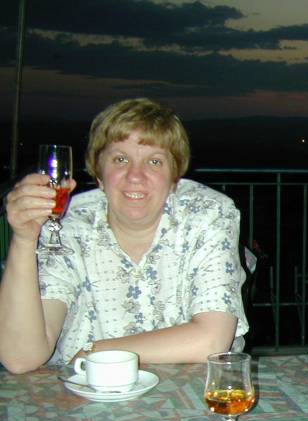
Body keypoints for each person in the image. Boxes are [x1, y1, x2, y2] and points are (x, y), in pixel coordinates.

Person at [0, 98, 248, 373]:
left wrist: (95, 351)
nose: (136, 176)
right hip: (86, 391)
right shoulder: (69, 226)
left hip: (191, 391)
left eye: (154, 161)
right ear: (99, 174)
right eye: (121, 159)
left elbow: (212, 340)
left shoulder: (208, 214)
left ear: (174, 178)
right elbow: (20, 357)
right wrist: (24, 238)